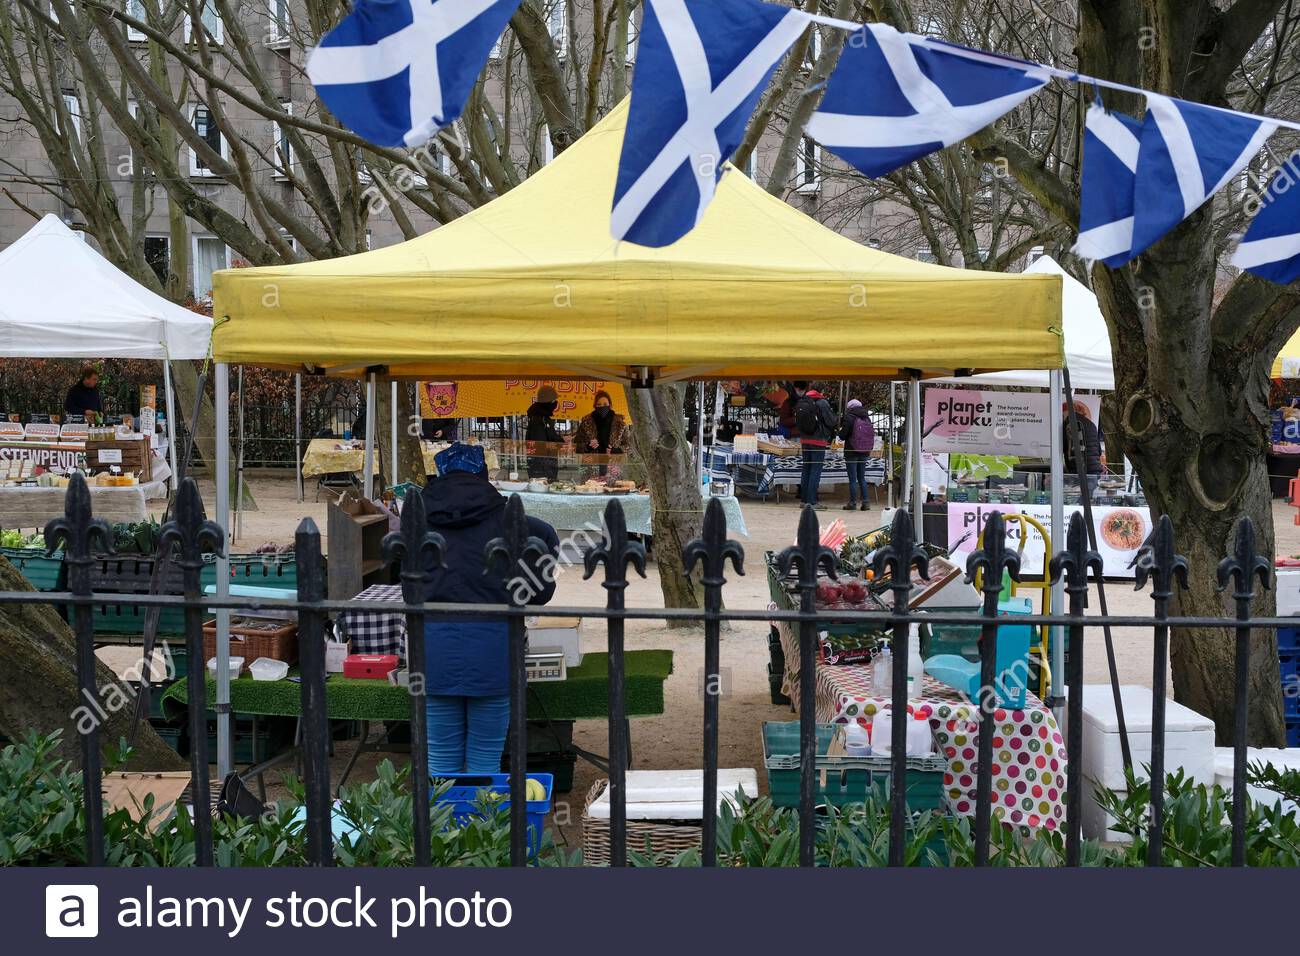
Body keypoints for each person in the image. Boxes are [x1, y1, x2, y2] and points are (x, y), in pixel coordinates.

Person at [420, 443, 560, 775]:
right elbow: (540, 594)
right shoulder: (513, 520)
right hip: (495, 647)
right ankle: (482, 825)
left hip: (434, 645)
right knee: (486, 757)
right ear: (484, 475)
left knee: (440, 757)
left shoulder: (417, 519)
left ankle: (440, 826)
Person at [792, 381, 836, 509]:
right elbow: (831, 421)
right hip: (818, 440)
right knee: (815, 471)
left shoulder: (804, 400)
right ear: (822, 391)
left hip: (805, 439)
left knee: (806, 470)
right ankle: (812, 502)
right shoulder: (822, 402)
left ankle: (804, 500)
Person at [839, 399, 876, 511]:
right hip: (865, 451)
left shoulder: (849, 417)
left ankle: (852, 503)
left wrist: (840, 430)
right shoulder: (866, 417)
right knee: (861, 477)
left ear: (850, 407)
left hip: (852, 451)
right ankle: (866, 502)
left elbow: (842, 436)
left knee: (852, 478)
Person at [1062, 402, 1103, 493]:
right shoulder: (1091, 424)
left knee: (1078, 499)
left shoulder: (1069, 422)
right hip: (1095, 470)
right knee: (1089, 498)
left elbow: (1061, 446)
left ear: (1066, 412)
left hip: (1080, 470)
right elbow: (1099, 451)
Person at [524, 385, 562, 480]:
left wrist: (561, 439)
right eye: (553, 401)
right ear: (547, 402)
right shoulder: (538, 420)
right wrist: (548, 475)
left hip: (547, 468)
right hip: (541, 472)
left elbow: (549, 438)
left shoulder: (544, 418)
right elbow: (541, 448)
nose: (555, 403)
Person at [573, 390, 627, 454]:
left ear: (609, 404)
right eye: (599, 404)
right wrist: (587, 447)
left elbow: (629, 445)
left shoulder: (620, 423)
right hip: (591, 462)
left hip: (613, 462)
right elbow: (576, 445)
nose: (602, 407)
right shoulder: (586, 422)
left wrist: (618, 450)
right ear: (595, 405)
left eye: (605, 404)